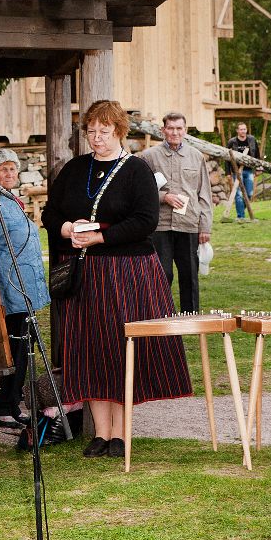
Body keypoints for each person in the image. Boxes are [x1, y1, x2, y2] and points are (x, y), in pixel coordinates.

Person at [42, 100, 191, 458]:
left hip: (127, 272)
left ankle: (122, 434)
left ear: (119, 131)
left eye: (104, 132)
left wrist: (100, 237)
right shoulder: (75, 169)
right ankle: (100, 433)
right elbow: (50, 213)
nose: (96, 139)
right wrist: (67, 228)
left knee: (120, 348)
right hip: (84, 274)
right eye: (91, 131)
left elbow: (145, 220)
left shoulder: (137, 170)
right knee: (89, 348)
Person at [0, 148, 48, 428]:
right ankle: (2, 405)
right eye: (3, 169)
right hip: (11, 289)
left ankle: (13, 402)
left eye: (13, 168)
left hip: (27, 286)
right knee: (15, 348)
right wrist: (3, 295)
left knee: (26, 347)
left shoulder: (12, 200)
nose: (10, 174)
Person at [141, 112, 213, 312]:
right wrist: (164, 197)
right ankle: (161, 314)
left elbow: (204, 194)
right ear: (163, 130)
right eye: (170, 128)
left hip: (189, 224)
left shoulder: (196, 157)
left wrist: (205, 227)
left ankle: (190, 317)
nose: (174, 132)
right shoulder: (149, 157)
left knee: (189, 273)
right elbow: (140, 193)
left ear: (185, 130)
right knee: (162, 273)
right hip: (160, 225)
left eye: (178, 128)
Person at [225, 122, 260, 220]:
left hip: (249, 170)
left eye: (244, 129)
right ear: (237, 131)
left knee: (249, 194)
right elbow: (227, 158)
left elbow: (257, 155)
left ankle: (241, 210)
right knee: (239, 195)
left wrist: (258, 168)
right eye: (241, 129)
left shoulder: (252, 140)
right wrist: (228, 173)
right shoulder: (232, 142)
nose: (243, 131)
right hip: (237, 171)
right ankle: (240, 216)